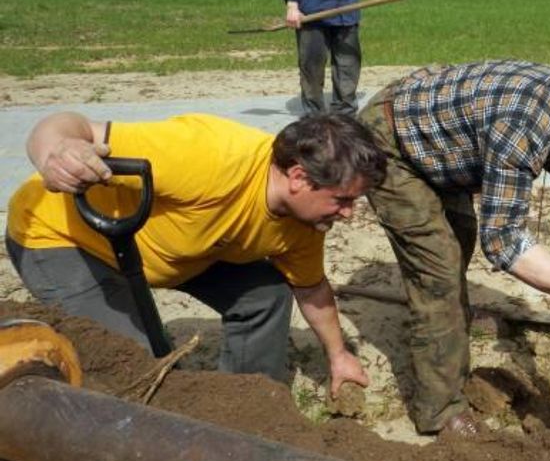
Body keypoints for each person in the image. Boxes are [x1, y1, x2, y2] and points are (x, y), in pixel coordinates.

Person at [358, 53, 550, 437]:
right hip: (395, 142)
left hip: (448, 148)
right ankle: (439, 411)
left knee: (458, 242)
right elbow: (503, 240)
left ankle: (447, 326)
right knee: (438, 271)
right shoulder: (524, 120)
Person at [6, 111, 387, 396]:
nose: (350, 215)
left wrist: (339, 357)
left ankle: (244, 404)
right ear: (300, 178)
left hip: (177, 249)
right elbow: (68, 125)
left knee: (266, 295)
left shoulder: (304, 223)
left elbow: (311, 289)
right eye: (343, 200)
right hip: (63, 236)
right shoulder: (211, 155)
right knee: (129, 364)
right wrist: (57, 152)